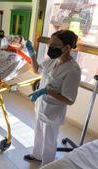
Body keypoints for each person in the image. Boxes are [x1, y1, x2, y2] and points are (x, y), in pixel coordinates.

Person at [23, 30, 81, 166]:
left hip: (54, 111)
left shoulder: (72, 70)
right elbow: (36, 69)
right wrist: (32, 53)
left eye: (55, 45)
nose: (51, 48)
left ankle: (48, 165)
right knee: (38, 132)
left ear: (67, 48)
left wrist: (47, 91)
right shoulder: (52, 61)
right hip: (41, 105)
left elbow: (69, 100)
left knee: (49, 140)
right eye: (50, 44)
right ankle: (36, 155)